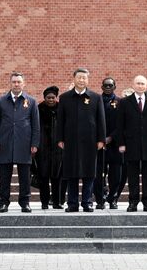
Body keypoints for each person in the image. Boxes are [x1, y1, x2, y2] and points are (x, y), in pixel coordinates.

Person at [57, 68, 107, 212]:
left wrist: (101, 140)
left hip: (90, 142)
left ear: (88, 80)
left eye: (84, 78)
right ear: (74, 79)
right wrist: (60, 138)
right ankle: (72, 203)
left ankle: (87, 202)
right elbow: (61, 120)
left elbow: (101, 120)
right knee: (71, 172)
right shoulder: (65, 97)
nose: (81, 80)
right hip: (70, 141)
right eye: (79, 77)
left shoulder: (95, 97)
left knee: (89, 173)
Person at [118, 75, 147, 211]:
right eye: (138, 83)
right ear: (133, 85)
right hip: (131, 144)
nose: (140, 86)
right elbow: (120, 125)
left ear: (146, 85)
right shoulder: (125, 102)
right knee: (132, 175)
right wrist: (121, 143)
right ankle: (133, 202)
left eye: (142, 83)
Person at [0, 72, 40, 213]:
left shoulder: (31, 101)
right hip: (5, 143)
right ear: (10, 83)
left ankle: (25, 202)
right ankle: (3, 202)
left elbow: (35, 125)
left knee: (25, 177)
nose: (16, 84)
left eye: (19, 82)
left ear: (23, 83)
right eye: (14, 82)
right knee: (5, 176)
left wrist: (35, 143)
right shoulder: (1, 101)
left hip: (24, 144)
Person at [34, 86, 64, 209]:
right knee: (43, 177)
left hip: (58, 148)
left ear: (56, 98)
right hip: (43, 149)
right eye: (48, 97)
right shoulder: (38, 109)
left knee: (57, 177)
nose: (50, 100)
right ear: (44, 98)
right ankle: (44, 202)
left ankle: (57, 202)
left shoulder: (61, 109)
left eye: (53, 97)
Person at [97, 77, 124, 209]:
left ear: (115, 87)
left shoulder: (120, 102)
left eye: (110, 85)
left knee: (116, 175)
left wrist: (111, 137)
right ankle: (100, 199)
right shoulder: (95, 100)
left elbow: (122, 124)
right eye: (105, 85)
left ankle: (113, 198)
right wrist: (101, 138)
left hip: (115, 144)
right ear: (101, 87)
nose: (108, 88)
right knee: (99, 173)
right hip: (99, 144)